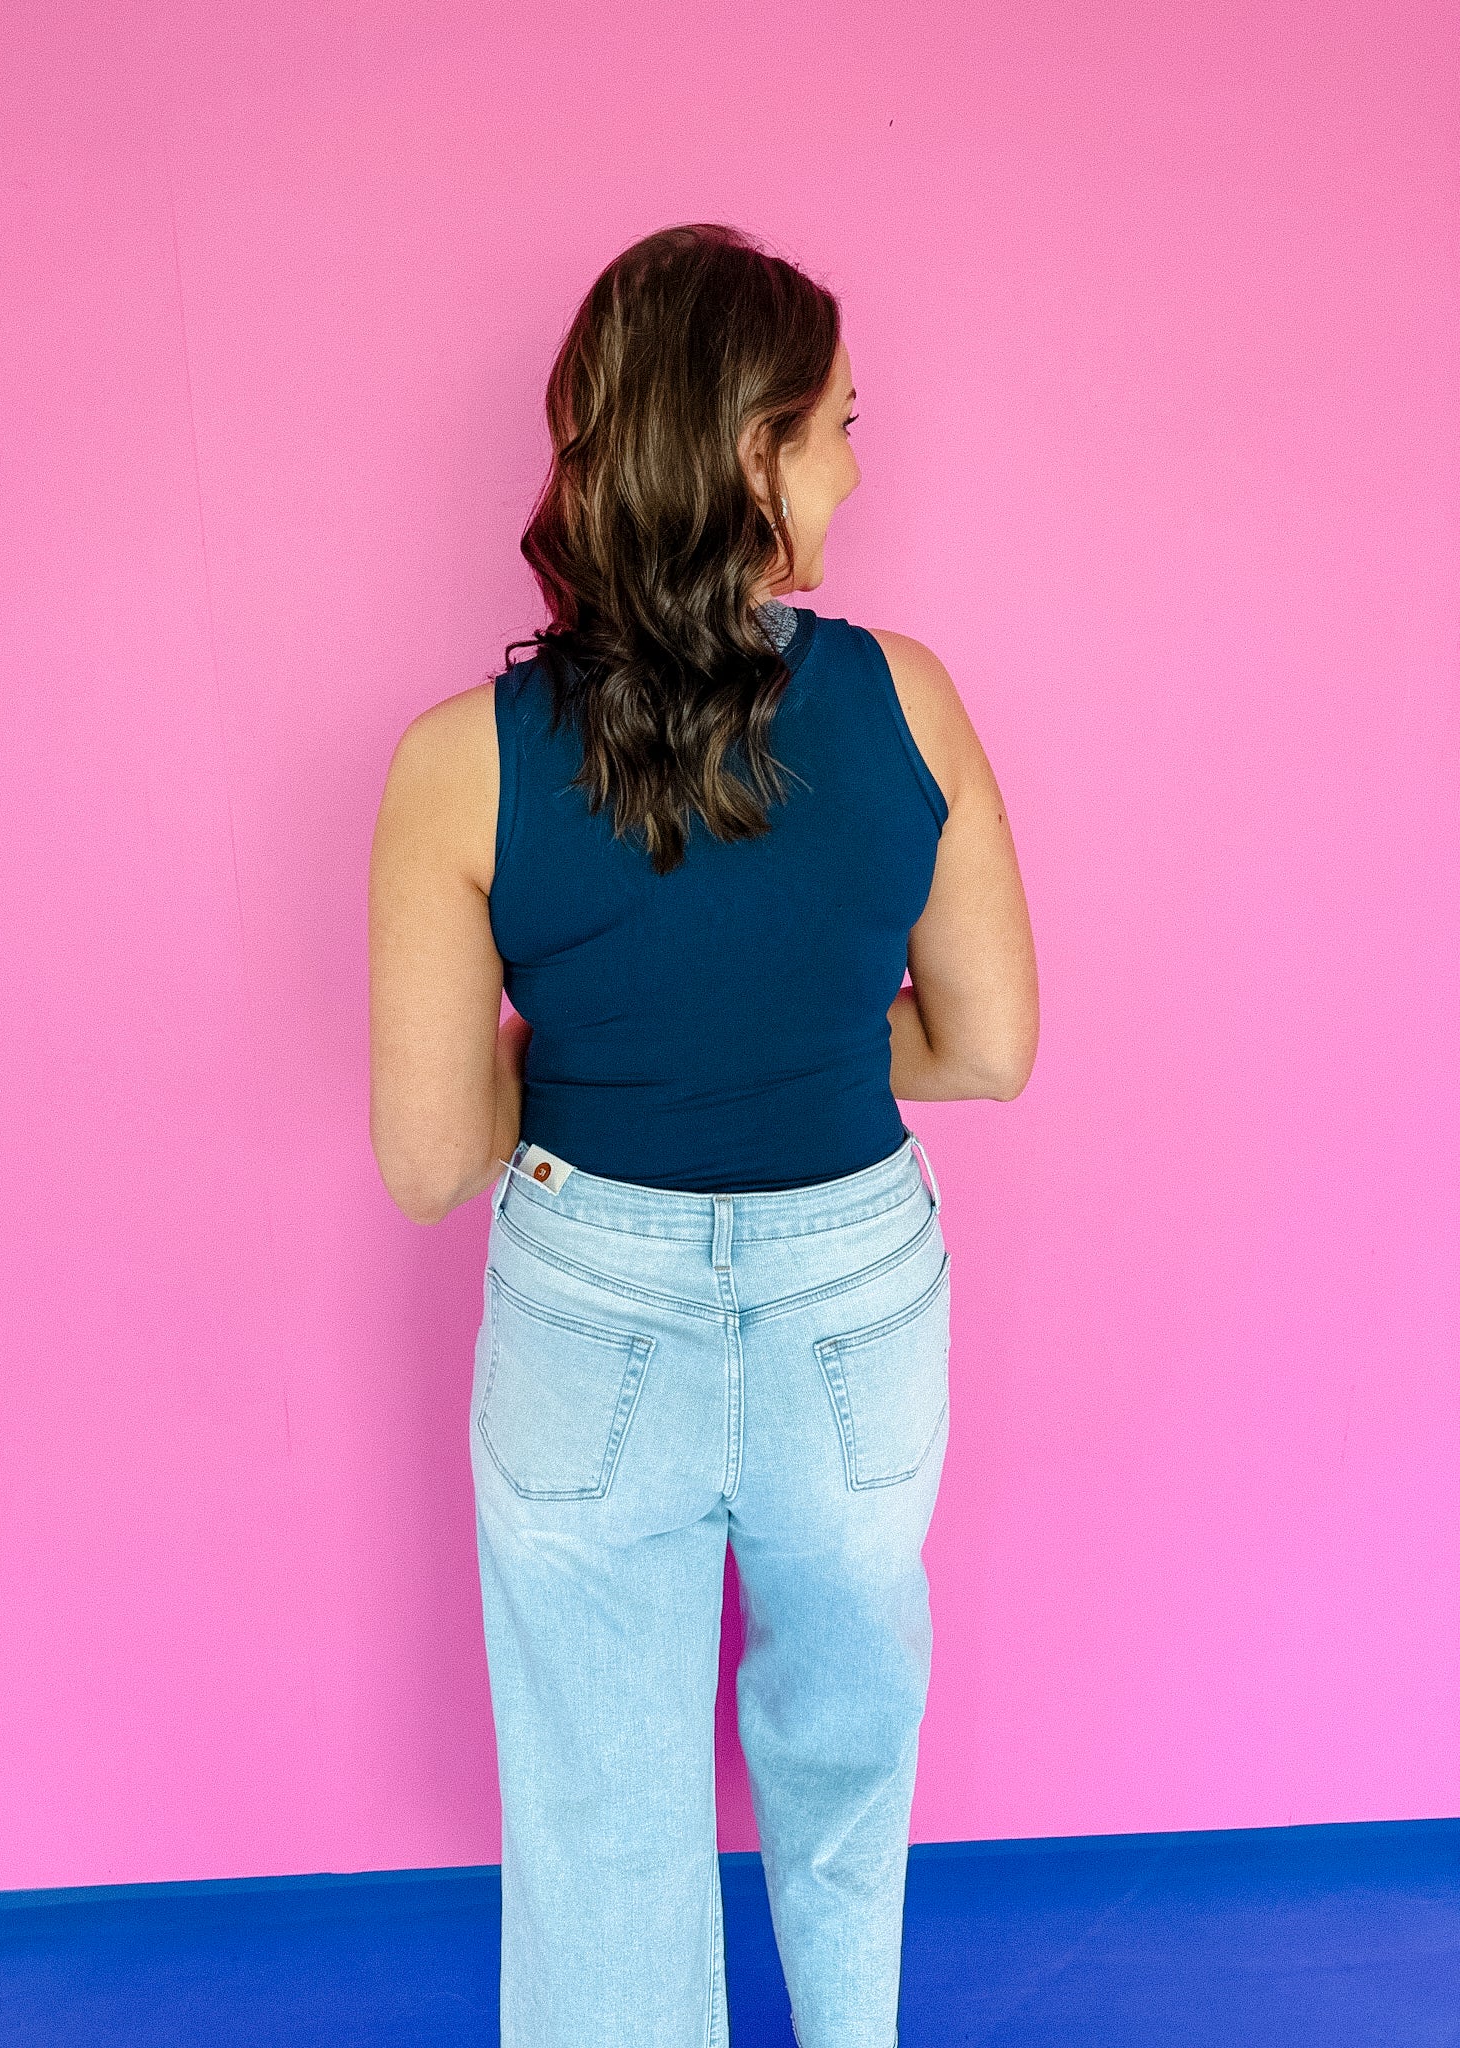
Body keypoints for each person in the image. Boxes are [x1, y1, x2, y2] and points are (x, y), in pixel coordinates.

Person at [368, 222, 1038, 2048]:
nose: (855, 458)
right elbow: (988, 1053)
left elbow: (433, 1158)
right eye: (835, 422)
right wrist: (797, 1030)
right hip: (855, 1302)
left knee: (600, 1827)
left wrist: (604, 1050)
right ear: (755, 453)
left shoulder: (457, 759)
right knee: (844, 1780)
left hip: (592, 1306)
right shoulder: (907, 698)